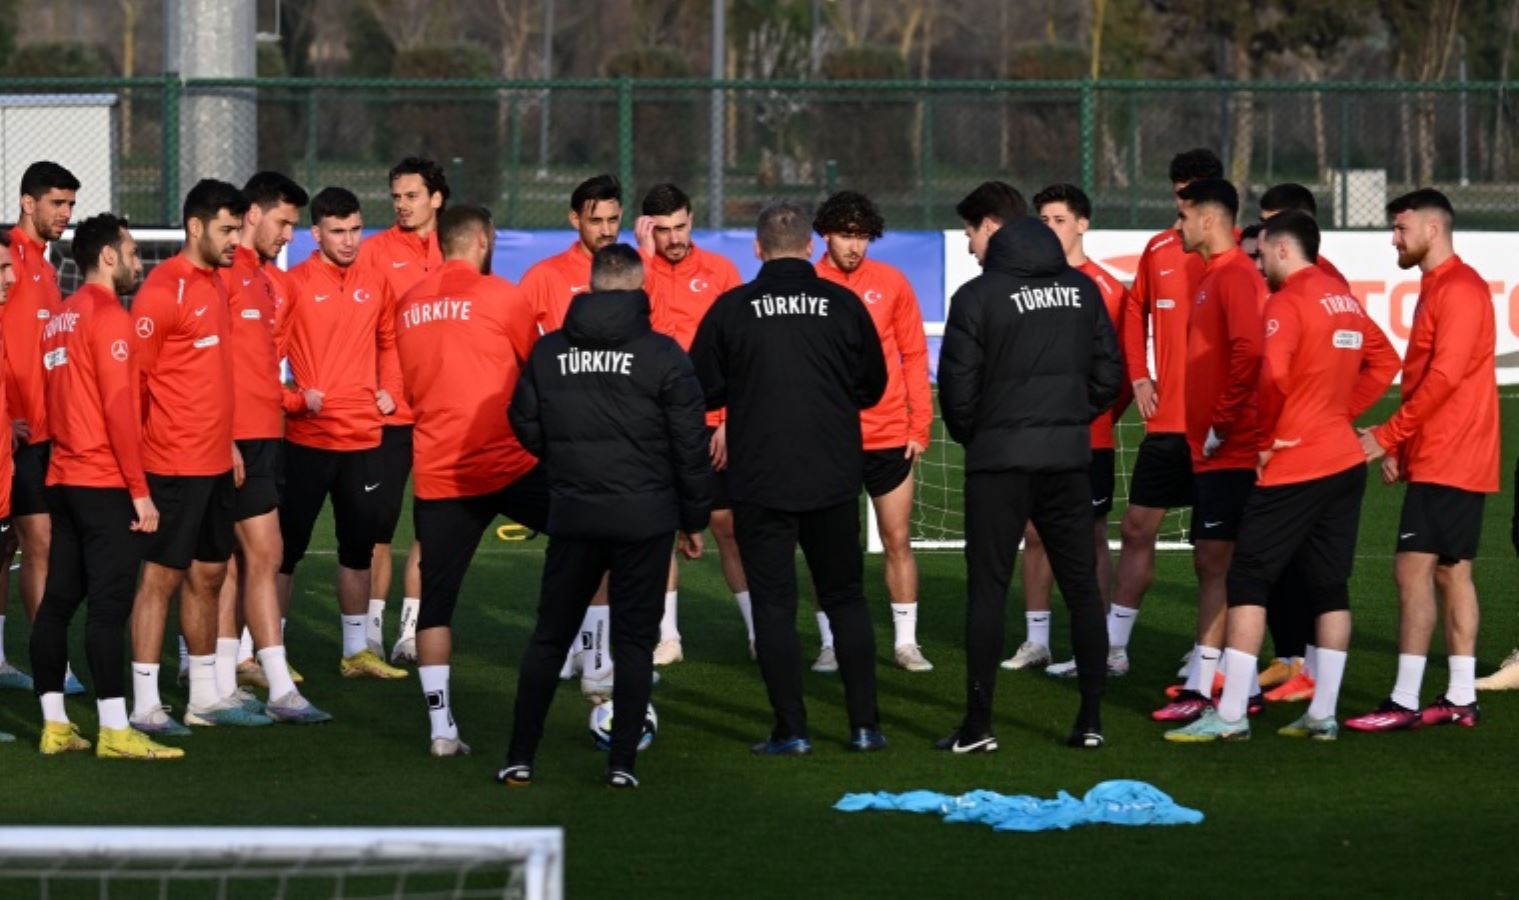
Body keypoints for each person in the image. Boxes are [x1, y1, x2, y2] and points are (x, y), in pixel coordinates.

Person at [1165, 211, 1399, 742]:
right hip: (1342, 463)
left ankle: (1227, 718)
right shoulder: (1344, 298)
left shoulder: (1288, 302)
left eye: (1263, 252)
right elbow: (1385, 360)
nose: (1259, 262)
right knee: (1329, 585)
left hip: (1297, 465)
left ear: (1285, 250)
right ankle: (1323, 714)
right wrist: (1341, 413)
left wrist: (1268, 439)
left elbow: (1269, 376)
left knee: (1248, 579)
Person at [501, 243, 712, 789]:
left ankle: (520, 756)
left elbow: (521, 421)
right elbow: (690, 446)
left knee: (549, 637)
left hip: (574, 512)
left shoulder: (549, 352)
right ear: (642, 288)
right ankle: (622, 764)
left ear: (590, 286)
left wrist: (565, 461)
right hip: (644, 518)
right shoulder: (664, 355)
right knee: (635, 644)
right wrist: (694, 520)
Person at [690, 200, 888, 756]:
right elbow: (872, 387)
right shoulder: (844, 304)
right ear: (810, 247)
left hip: (762, 480)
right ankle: (865, 726)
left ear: (757, 248)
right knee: (846, 598)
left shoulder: (732, 308)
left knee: (775, 605)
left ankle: (792, 730)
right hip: (832, 475)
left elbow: (700, 387)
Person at [937, 195, 1122, 752]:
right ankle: (1090, 720)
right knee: (1083, 590)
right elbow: (1107, 376)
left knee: (988, 591)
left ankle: (979, 726)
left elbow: (956, 390)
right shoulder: (1082, 291)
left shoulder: (976, 296)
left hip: (997, 463)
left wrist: (982, 433)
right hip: (1067, 460)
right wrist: (1067, 420)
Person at [393, 205, 544, 756]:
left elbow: (412, 391)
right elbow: (539, 368)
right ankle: (597, 665)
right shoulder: (503, 296)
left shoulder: (408, 305)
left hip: (440, 473)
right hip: (512, 463)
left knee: (436, 605)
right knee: (592, 534)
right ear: (482, 241)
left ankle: (440, 732)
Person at [1346, 189, 1500, 733]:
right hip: (1446, 452)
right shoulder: (1440, 285)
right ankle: (1460, 697)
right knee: (1450, 573)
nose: (1394, 238)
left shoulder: (1458, 288)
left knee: (1413, 571)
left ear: (1432, 230)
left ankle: (1405, 700)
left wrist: (1389, 436)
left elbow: (1444, 378)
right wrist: (1406, 449)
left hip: (1453, 453)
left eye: (1401, 228)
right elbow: (1425, 381)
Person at [29, 214, 180, 758]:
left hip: (63, 477)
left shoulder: (57, 321)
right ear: (109, 256)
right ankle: (115, 730)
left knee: (56, 605)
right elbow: (119, 410)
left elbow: (48, 405)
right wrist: (139, 490)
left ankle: (54, 725)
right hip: (102, 481)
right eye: (134, 252)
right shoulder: (110, 317)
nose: (140, 262)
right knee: (109, 608)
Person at [1071, 149, 1223, 679]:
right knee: (1136, 529)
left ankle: (1212, 653)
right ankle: (1113, 649)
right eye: (1177, 190)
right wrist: (1138, 374)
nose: (1182, 200)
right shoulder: (1160, 247)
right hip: (1167, 425)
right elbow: (1134, 311)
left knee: (1213, 551)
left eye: (1192, 190)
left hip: (1222, 432)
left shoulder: (1242, 254)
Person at [129, 180, 271, 732]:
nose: (238, 239)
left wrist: (228, 441)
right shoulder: (164, 290)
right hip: (172, 463)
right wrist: (140, 469)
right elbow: (132, 384)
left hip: (215, 461)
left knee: (211, 574)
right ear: (196, 227)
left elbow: (208, 378)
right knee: (160, 579)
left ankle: (206, 696)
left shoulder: (216, 284)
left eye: (239, 229)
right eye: (228, 229)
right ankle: (144, 707)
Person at [275, 186, 407, 680]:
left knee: (359, 547)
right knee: (286, 552)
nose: (349, 240)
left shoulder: (376, 282)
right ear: (316, 234)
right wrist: (292, 399)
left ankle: (356, 652)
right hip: (308, 439)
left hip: (364, 438)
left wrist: (389, 388)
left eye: (355, 229)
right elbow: (267, 355)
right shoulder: (293, 284)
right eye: (338, 231)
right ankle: (273, 654)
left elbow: (390, 341)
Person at [1151, 178, 1269, 724]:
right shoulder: (1213, 275)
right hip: (1211, 451)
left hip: (1234, 450)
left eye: (1184, 216)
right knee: (1210, 560)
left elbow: (1249, 350)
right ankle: (1207, 677)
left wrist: (1222, 422)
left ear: (1209, 219)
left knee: (1221, 562)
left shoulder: (1237, 277)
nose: (1177, 227)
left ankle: (1218, 684)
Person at [216, 171, 329, 723]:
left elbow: (258, 371)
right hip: (233, 439)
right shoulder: (223, 276)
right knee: (263, 554)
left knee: (237, 563)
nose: (289, 235)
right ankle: (278, 688)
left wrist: (286, 402)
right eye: (283, 222)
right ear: (252, 214)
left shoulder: (264, 280)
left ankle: (216, 683)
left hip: (264, 436)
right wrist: (221, 437)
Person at [809, 190, 933, 673]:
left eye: (862, 237)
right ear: (825, 234)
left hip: (887, 435)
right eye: (845, 235)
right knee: (829, 546)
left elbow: (915, 354)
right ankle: (830, 644)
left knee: (897, 539)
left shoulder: (892, 282)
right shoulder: (810, 281)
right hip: (830, 438)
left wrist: (918, 425)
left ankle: (906, 642)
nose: (854, 247)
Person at [1006, 183, 1128, 672]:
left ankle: (1094, 643)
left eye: (1059, 219)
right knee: (1034, 533)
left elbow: (1117, 373)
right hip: (1036, 435)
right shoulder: (1028, 284)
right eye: (1044, 221)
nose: (1051, 229)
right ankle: (1038, 640)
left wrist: (1095, 417)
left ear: (1083, 224)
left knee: (1091, 537)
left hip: (1088, 437)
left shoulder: (1108, 288)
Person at [632, 182, 748, 666]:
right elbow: (631, 330)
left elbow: (743, 354)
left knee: (728, 527)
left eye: (681, 226)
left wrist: (729, 421)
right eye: (663, 230)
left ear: (692, 220)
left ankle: (758, 629)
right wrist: (641, 258)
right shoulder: (636, 271)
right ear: (647, 229)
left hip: (712, 424)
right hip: (654, 425)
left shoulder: (722, 273)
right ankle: (668, 636)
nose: (674, 238)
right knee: (659, 530)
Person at [519, 173, 621, 694]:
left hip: (614, 437)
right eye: (595, 219)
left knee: (599, 548)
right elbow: (518, 352)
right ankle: (563, 648)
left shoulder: (627, 273)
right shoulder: (543, 277)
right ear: (573, 219)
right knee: (565, 550)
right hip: (560, 441)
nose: (605, 230)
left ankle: (595, 658)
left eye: (612, 219)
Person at [357, 156, 449, 665]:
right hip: (389, 414)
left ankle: (410, 632)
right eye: (396, 196)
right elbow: (361, 327)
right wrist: (379, 386)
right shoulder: (374, 253)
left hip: (440, 413)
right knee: (377, 528)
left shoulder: (454, 249)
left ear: (436, 198)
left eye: (412, 195)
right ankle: (368, 633)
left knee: (431, 528)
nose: (402, 205)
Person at [1, 161, 80, 695]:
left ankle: (8, 658)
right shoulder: (9, 260)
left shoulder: (47, 267)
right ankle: (53, 662)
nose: (65, 214)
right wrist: (7, 417)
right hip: (17, 433)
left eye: (71, 205)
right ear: (29, 203)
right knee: (39, 543)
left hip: (45, 433)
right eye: (57, 203)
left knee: (17, 545)